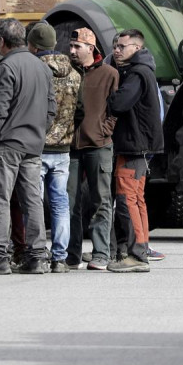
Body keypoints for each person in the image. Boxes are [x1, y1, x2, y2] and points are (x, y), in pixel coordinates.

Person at [0, 18, 57, 275]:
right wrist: (37, 132)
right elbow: (51, 108)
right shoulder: (42, 67)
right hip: (33, 144)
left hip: (7, 144)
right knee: (32, 201)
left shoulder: (5, 67)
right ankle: (38, 257)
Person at [106, 28, 164, 273]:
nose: (116, 50)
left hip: (134, 146)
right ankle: (139, 249)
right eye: (116, 46)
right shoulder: (142, 71)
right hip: (139, 146)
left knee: (127, 199)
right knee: (137, 199)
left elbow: (119, 103)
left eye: (122, 46)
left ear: (137, 49)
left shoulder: (137, 74)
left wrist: (105, 95)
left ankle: (136, 254)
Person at [28, 21, 81, 273]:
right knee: (61, 203)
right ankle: (60, 258)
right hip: (63, 149)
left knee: (34, 202)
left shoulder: (34, 71)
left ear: (33, 45)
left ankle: (36, 253)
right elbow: (79, 110)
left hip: (37, 147)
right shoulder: (74, 73)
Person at [67, 28, 118, 271]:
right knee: (69, 202)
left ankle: (100, 253)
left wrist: (104, 130)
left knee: (101, 201)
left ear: (91, 48)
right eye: (71, 46)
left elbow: (116, 108)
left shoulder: (109, 74)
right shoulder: (67, 72)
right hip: (69, 147)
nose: (72, 51)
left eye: (77, 46)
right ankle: (72, 254)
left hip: (98, 145)